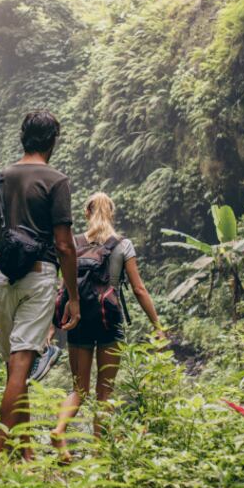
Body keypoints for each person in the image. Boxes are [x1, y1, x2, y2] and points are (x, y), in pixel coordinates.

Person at [0, 111, 81, 459]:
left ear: (22, 138)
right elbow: (66, 246)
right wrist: (73, 298)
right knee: (21, 366)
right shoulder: (56, 180)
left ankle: (24, 451)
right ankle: (1, 452)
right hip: (37, 276)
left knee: (14, 367)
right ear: (53, 141)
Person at [51, 192, 166, 462]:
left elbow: (62, 288)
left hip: (78, 317)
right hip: (108, 319)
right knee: (105, 391)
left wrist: (51, 326)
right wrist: (157, 325)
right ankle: (99, 453)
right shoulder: (123, 245)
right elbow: (138, 288)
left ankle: (59, 430)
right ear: (111, 213)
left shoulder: (74, 243)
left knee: (79, 388)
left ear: (86, 213)